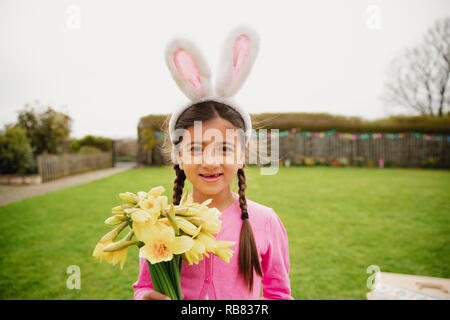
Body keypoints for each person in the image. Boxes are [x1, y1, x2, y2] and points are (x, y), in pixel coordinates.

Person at [133, 26, 293, 300]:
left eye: (224, 149)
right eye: (195, 148)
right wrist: (145, 297)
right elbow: (144, 286)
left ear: (242, 156)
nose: (210, 161)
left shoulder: (265, 221)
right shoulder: (160, 222)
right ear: (178, 157)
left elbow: (279, 294)